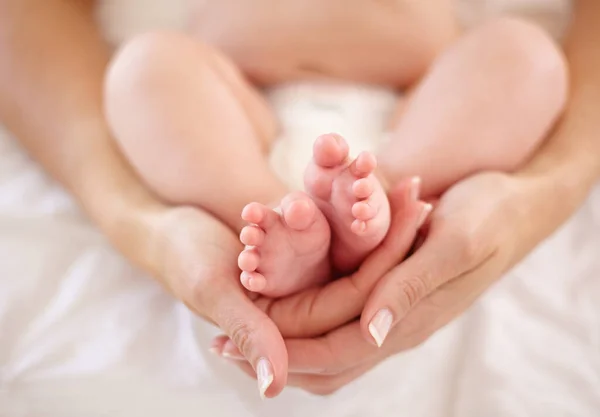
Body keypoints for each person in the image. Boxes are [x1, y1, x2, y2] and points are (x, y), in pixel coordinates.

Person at [0, 0, 598, 400]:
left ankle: (376, 201)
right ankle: (271, 214)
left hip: (419, 118)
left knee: (526, 57)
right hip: (235, 110)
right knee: (142, 70)